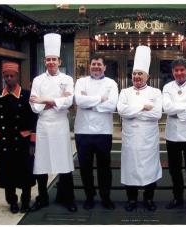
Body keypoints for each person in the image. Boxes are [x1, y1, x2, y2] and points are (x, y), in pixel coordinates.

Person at [29, 33, 77, 212]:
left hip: (60, 125)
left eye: (54, 59)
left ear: (60, 61)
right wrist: (56, 101)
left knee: (64, 161)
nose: (51, 62)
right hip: (43, 125)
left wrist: (44, 100)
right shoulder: (38, 80)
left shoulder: (67, 79)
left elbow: (69, 102)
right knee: (42, 163)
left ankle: (67, 198)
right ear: (44, 61)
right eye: (48, 59)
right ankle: (42, 197)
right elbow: (34, 106)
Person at [117, 46, 162, 212]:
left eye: (140, 74)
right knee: (130, 168)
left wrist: (133, 111)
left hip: (148, 139)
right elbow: (122, 111)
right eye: (134, 73)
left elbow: (157, 114)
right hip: (130, 139)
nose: (137, 77)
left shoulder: (156, 92)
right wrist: (143, 107)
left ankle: (149, 199)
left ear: (147, 76)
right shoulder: (125, 92)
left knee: (150, 169)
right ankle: (132, 200)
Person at [0, 62, 36, 214]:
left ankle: (26, 201)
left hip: (22, 140)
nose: (9, 78)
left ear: (17, 76)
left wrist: (32, 142)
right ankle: (12, 201)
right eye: (6, 76)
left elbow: (33, 120)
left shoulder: (27, 95)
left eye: (11, 76)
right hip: (4, 140)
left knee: (25, 173)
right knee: (8, 173)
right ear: (3, 77)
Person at [74, 54, 118, 210]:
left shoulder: (111, 83)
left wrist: (90, 103)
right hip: (82, 131)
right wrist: (101, 98)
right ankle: (89, 197)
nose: (96, 67)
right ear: (89, 66)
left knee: (104, 168)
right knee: (85, 168)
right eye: (93, 64)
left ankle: (105, 197)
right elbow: (79, 101)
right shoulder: (81, 81)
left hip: (103, 132)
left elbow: (112, 106)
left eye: (99, 64)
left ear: (104, 67)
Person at [162, 58, 186, 217]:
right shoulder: (167, 87)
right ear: (172, 72)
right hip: (172, 135)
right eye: (176, 70)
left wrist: (178, 111)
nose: (179, 73)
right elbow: (167, 108)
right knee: (174, 169)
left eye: (182, 70)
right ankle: (177, 197)